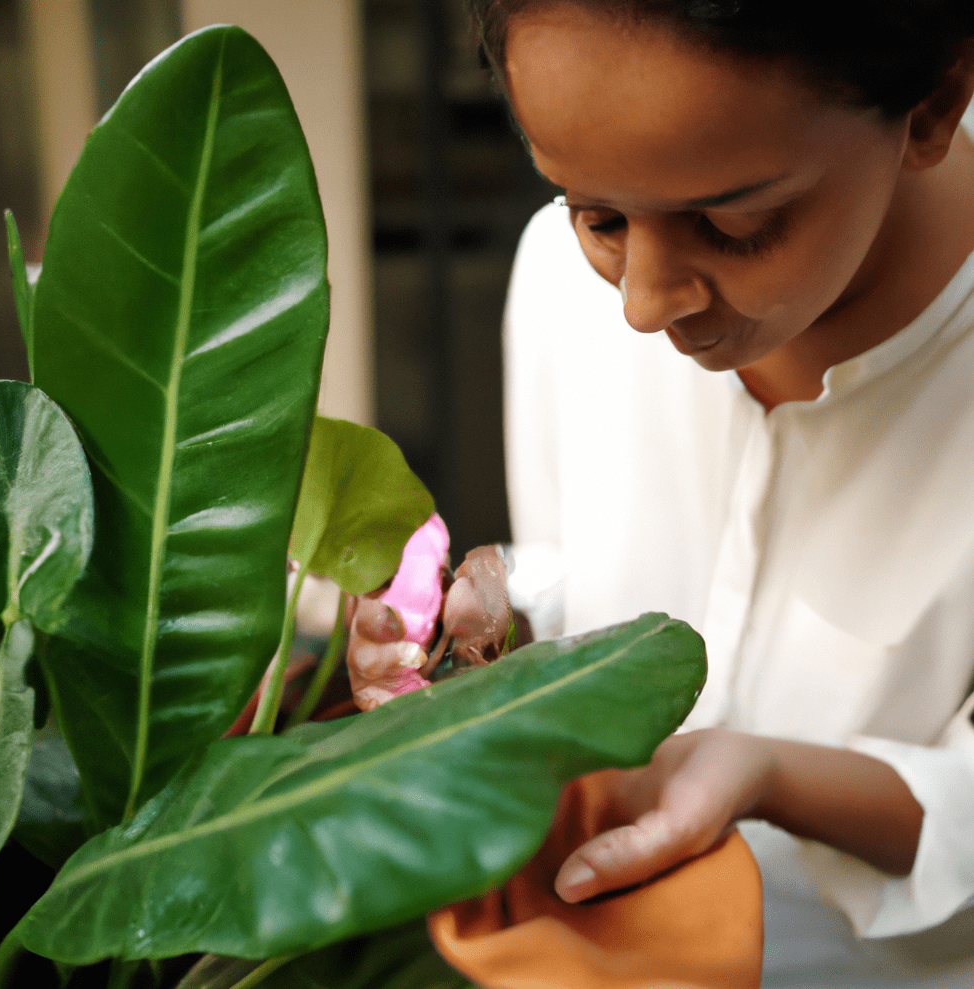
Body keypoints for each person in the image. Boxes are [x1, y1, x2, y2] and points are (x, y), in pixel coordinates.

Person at [356, 1, 974, 984]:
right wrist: (488, 619)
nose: (640, 302)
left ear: (935, 102)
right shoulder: (559, 281)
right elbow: (586, 569)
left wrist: (777, 776)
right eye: (595, 215)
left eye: (736, 224)